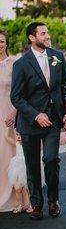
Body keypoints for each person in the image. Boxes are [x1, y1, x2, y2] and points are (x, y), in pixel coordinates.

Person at [10, 22, 66, 220]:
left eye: (47, 32)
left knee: (51, 159)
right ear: (32, 38)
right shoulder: (21, 64)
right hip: (30, 122)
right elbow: (16, 97)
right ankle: (36, 204)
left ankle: (53, 201)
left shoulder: (58, 57)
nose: (47, 36)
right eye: (43, 33)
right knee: (32, 164)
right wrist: (36, 114)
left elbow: (65, 88)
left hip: (53, 119)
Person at [0, 30, 18, 212]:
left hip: (8, 115)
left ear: (6, 43)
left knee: (7, 154)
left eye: (2, 41)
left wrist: (13, 112)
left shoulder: (13, 64)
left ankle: (14, 195)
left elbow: (19, 92)